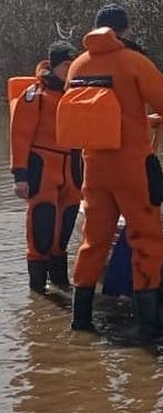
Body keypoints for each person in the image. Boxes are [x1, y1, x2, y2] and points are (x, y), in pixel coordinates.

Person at [56, 4, 163, 340]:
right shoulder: (134, 62)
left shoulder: (77, 67)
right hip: (132, 169)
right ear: (124, 31)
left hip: (95, 170)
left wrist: (142, 119)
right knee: (146, 240)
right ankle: (148, 325)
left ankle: (81, 321)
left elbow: (104, 116)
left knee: (92, 243)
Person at [9, 42, 82, 293]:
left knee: (64, 229)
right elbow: (19, 136)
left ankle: (61, 282)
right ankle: (37, 290)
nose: (70, 69)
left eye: (73, 64)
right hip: (43, 166)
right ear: (54, 65)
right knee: (42, 224)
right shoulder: (35, 94)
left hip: (72, 166)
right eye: (66, 65)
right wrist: (20, 174)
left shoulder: (77, 93)